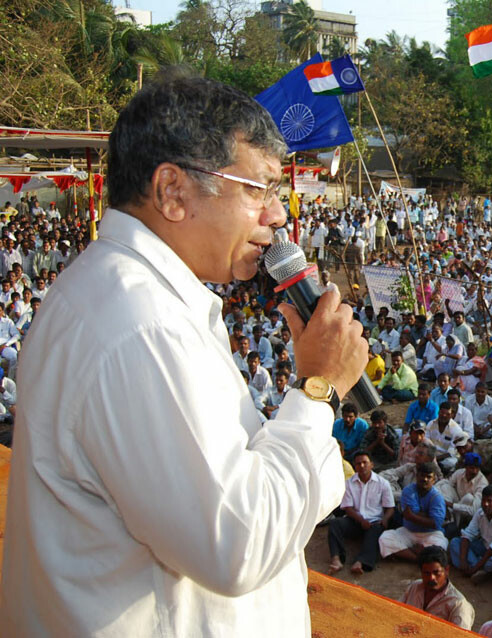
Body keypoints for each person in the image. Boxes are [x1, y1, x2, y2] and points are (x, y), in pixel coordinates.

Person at [0, 74, 368, 634]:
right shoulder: (142, 326)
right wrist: (318, 390)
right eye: (259, 189)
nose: (276, 216)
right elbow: (237, 543)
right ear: (172, 191)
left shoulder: (118, 295)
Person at [328, 450, 395, 575]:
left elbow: (390, 507)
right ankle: (336, 559)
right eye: (358, 464)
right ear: (355, 466)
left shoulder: (383, 483)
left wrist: (385, 520)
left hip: (375, 521)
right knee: (335, 524)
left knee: (374, 532)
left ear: (372, 465)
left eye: (365, 462)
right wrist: (361, 521)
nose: (362, 466)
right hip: (355, 520)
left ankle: (361, 562)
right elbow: (348, 508)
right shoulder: (348, 484)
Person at [378, 461, 448, 562]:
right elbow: (408, 515)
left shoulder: (437, 497)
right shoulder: (408, 490)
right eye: (422, 476)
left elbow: (436, 523)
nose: (424, 479)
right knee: (385, 538)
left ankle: (409, 553)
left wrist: (412, 516)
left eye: (428, 477)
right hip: (408, 531)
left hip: (431, 534)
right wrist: (427, 515)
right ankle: (418, 558)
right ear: (416, 476)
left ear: (434, 480)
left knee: (440, 546)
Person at [399, 546, 475, 630]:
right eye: (426, 573)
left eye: (436, 573)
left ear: (446, 570)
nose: (431, 578)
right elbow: (396, 612)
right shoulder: (414, 587)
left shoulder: (459, 605)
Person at [449, 485, 492, 584]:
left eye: (490, 501)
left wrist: (474, 568)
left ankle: (475, 568)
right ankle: (481, 570)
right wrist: (463, 560)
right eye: (483, 500)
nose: (485, 504)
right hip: (483, 547)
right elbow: (467, 534)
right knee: (455, 542)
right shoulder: (480, 513)